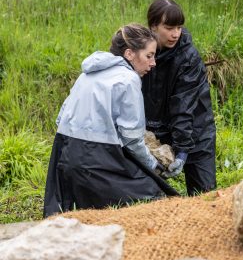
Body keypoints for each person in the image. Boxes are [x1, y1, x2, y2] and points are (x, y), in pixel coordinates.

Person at [43, 24, 173, 218]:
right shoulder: (128, 79)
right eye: (149, 55)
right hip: (95, 158)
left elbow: (61, 117)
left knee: (68, 218)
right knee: (152, 198)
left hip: (63, 153)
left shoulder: (87, 74)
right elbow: (131, 139)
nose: (153, 63)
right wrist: (153, 165)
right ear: (129, 54)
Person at [142, 0, 216, 196]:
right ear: (153, 26)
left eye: (179, 27)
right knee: (149, 198)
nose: (175, 34)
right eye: (169, 27)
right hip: (153, 135)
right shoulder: (140, 52)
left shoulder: (188, 58)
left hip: (195, 131)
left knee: (205, 197)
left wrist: (182, 152)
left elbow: (184, 107)